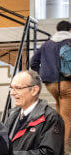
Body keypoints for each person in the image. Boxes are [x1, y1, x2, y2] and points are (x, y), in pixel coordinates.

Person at [30, 20, 71, 148]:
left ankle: (54, 142)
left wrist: (42, 74)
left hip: (50, 84)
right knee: (66, 116)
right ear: (69, 30)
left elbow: (33, 63)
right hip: (67, 82)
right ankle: (61, 151)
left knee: (59, 111)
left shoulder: (46, 44)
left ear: (57, 31)